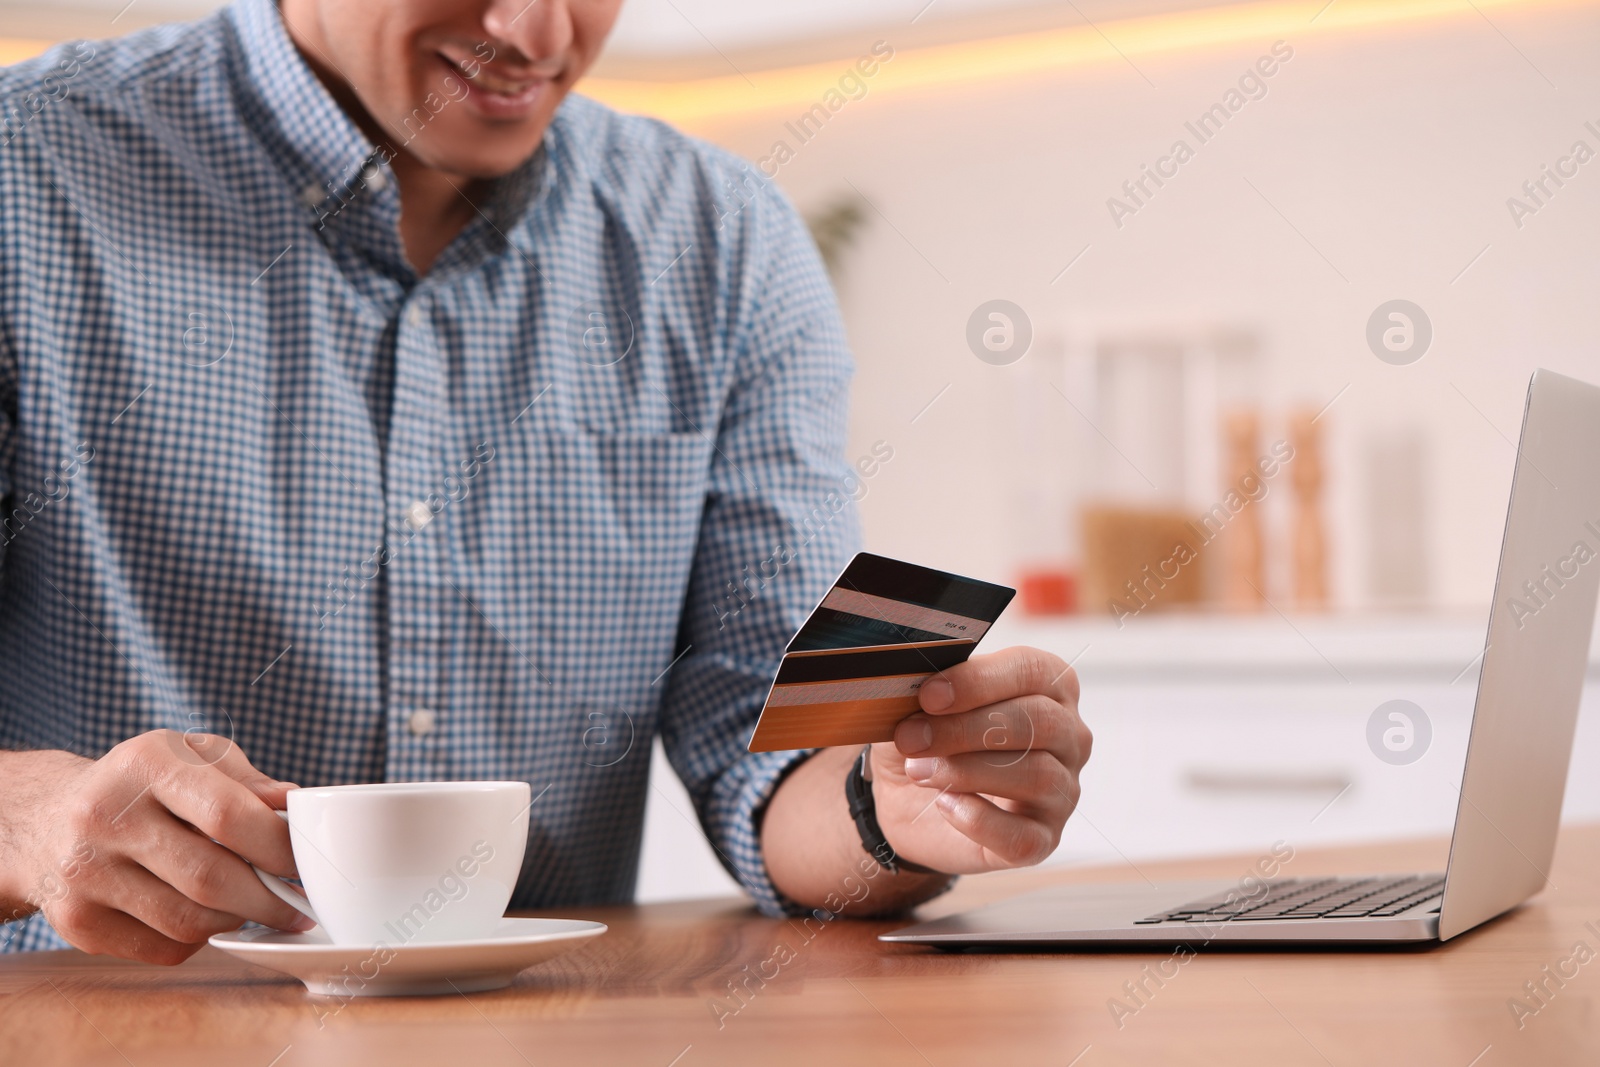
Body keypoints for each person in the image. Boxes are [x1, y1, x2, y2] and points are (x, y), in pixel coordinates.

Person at [0, 0, 1090, 963]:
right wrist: (29, 817)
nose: (536, 34)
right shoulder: (24, 172)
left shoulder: (727, 243)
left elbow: (776, 754)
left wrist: (902, 799)